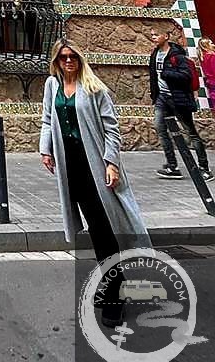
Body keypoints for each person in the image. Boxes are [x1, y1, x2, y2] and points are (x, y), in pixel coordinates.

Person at [40, 39, 151, 327]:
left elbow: (112, 129)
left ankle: (115, 295)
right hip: (71, 168)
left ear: (80, 59)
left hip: (96, 168)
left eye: (72, 57)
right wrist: (45, 149)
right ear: (56, 61)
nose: (67, 62)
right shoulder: (52, 86)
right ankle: (114, 284)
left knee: (105, 233)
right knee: (95, 231)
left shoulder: (94, 88)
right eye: (63, 57)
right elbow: (47, 120)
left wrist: (111, 163)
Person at [149, 28, 213, 181]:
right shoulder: (155, 54)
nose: (153, 37)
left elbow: (186, 75)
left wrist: (167, 74)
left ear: (166, 36)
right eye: (151, 35)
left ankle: (204, 167)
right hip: (162, 98)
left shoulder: (177, 56)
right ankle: (172, 166)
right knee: (160, 128)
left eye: (156, 34)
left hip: (178, 99)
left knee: (190, 132)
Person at [197, 38, 215, 111]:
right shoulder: (212, 56)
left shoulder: (203, 58)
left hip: (210, 82)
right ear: (206, 45)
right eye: (211, 43)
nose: (213, 44)